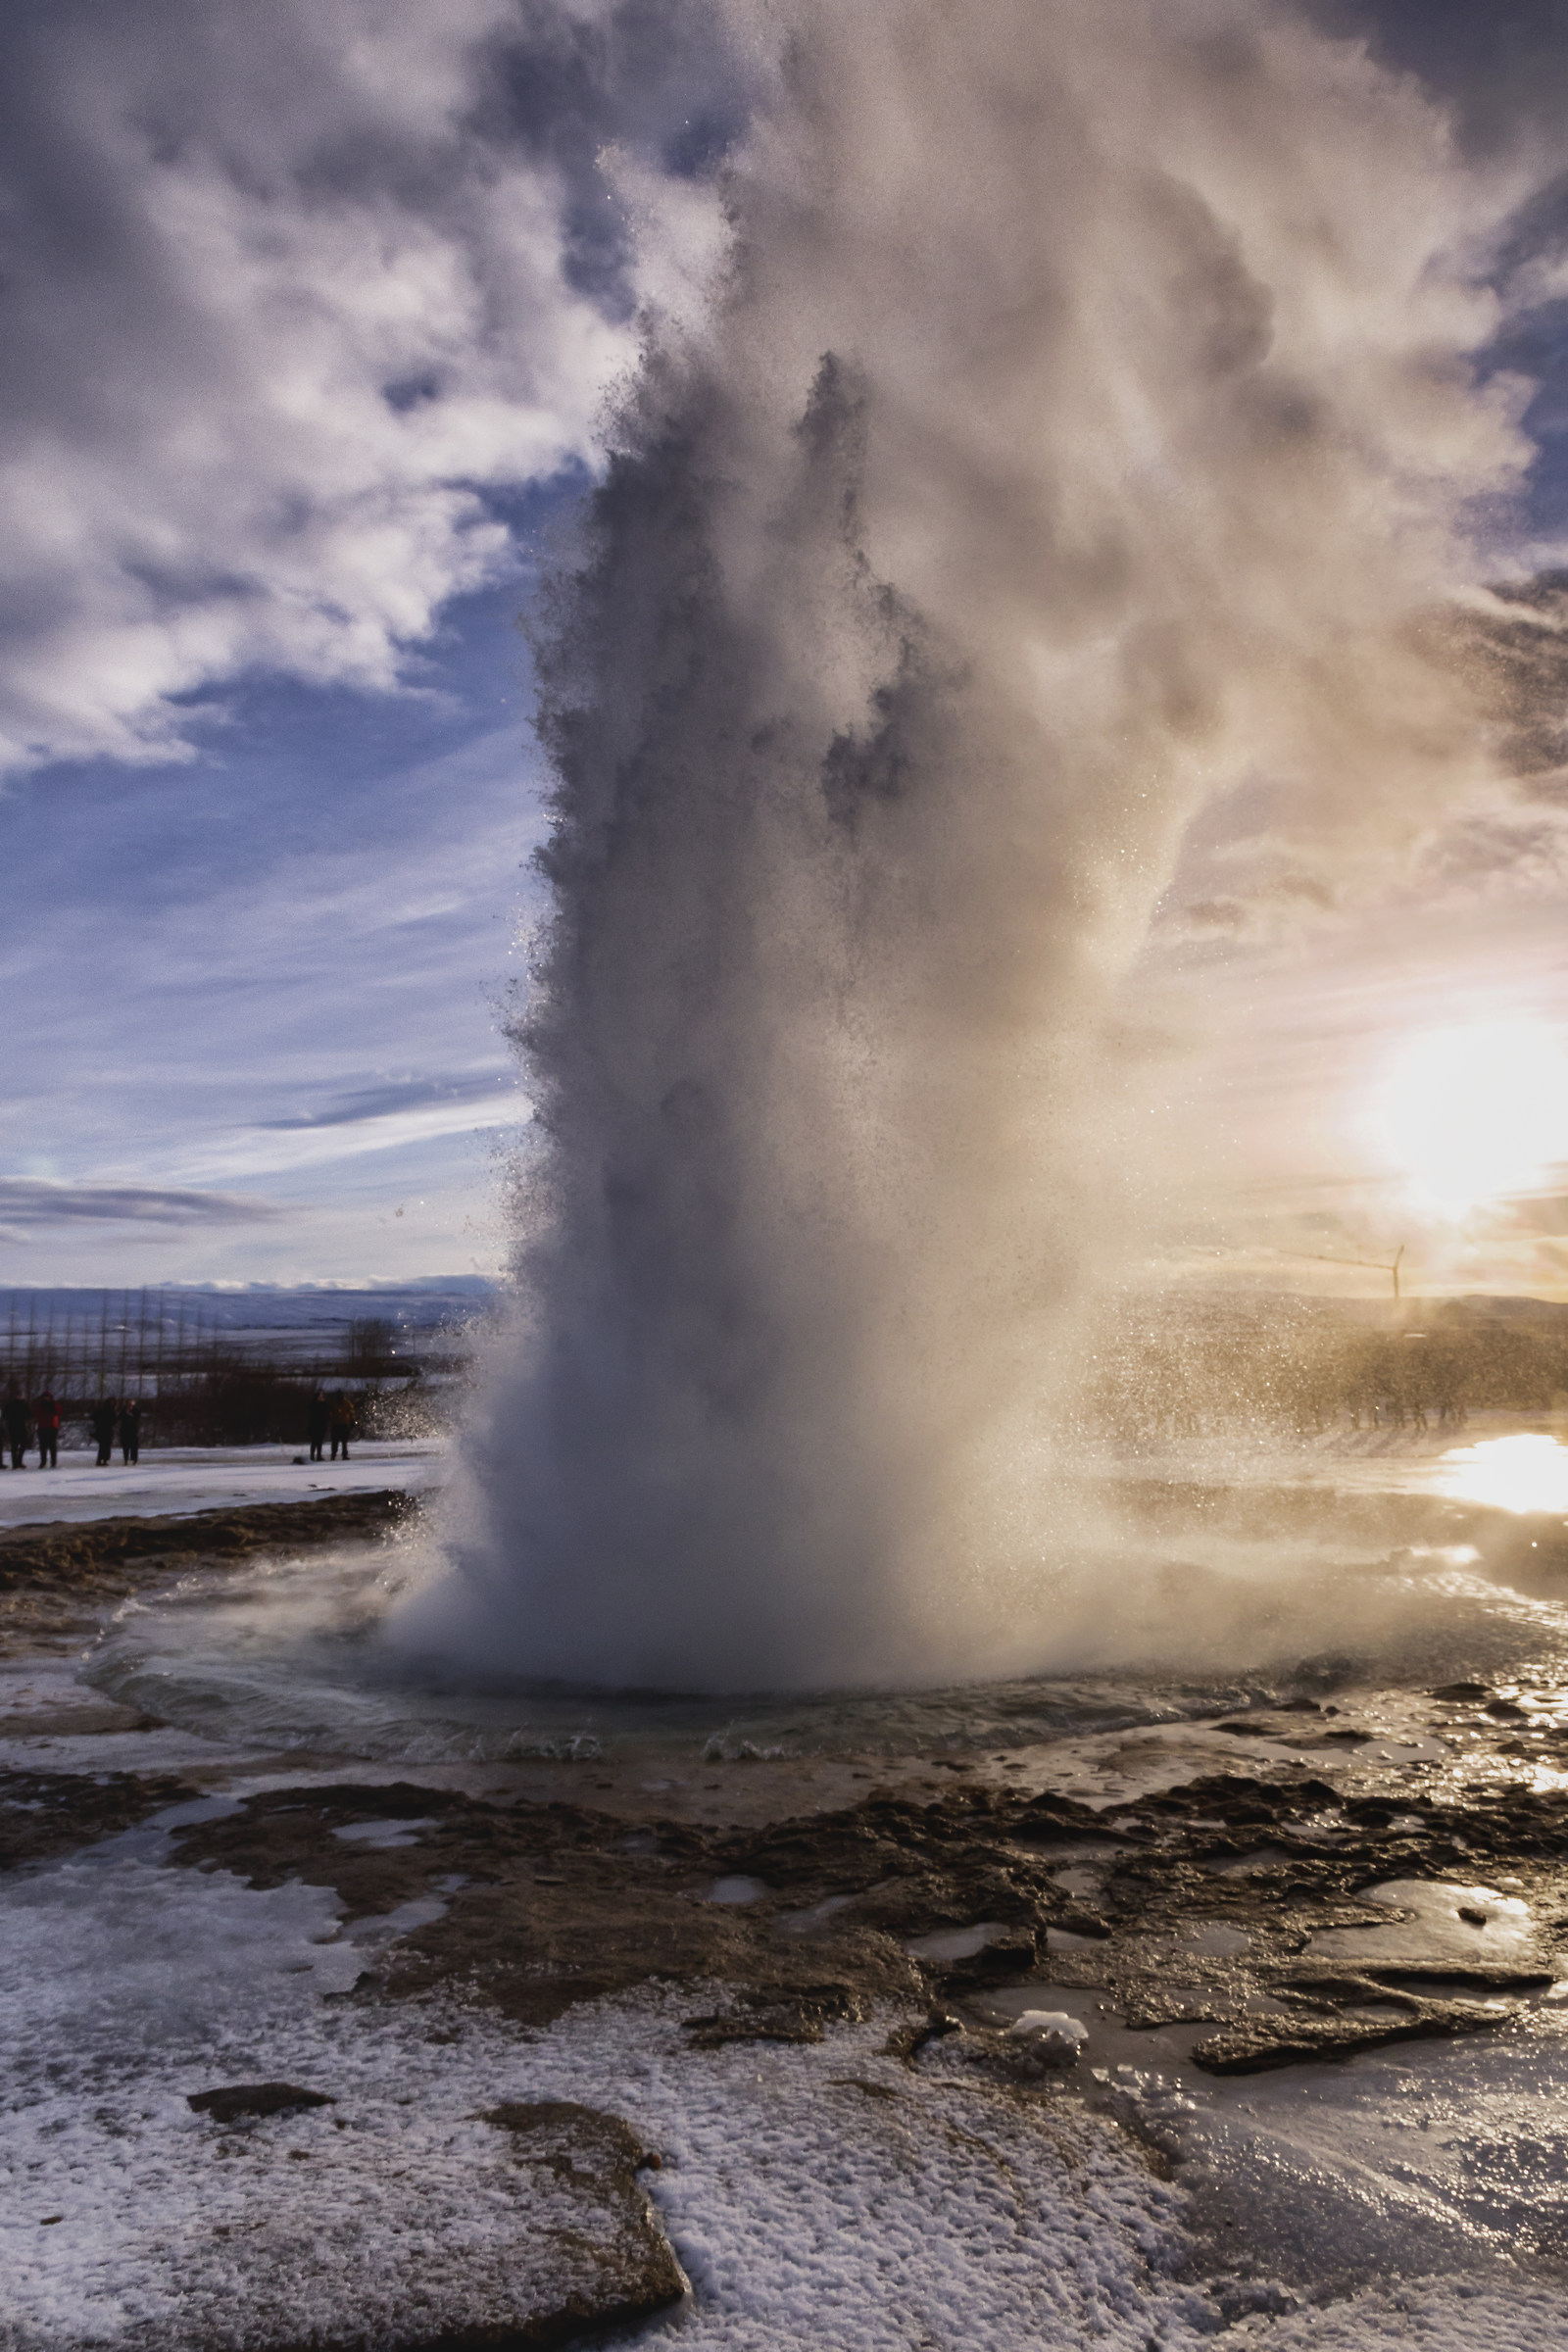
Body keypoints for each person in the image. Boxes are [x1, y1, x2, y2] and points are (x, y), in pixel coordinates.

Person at [2, 1385, 28, 1469]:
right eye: (19, 1395)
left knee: (24, 1443)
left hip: (22, 1426)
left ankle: (19, 1461)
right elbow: (5, 1415)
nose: (20, 1397)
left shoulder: (24, 1404)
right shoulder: (10, 1405)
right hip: (13, 1427)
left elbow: (29, 1414)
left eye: (21, 1395)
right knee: (14, 1445)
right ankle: (15, 1463)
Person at [33, 1391, 61, 1469]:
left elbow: (60, 1412)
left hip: (52, 1427)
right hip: (43, 1427)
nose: (47, 1398)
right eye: (45, 1396)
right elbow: (35, 1414)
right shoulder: (40, 1405)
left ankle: (53, 1462)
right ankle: (43, 1462)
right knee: (43, 1446)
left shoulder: (54, 1404)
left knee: (52, 1446)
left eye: (48, 1396)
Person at [328, 1389, 357, 1462]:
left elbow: (351, 1411)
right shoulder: (335, 1403)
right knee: (336, 1441)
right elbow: (329, 1412)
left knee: (343, 1441)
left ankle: (343, 1455)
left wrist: (352, 1420)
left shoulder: (346, 1402)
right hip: (337, 1424)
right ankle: (334, 1455)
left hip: (343, 1424)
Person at [91, 1396, 118, 1467]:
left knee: (104, 1446)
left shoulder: (104, 1409)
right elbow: (114, 1420)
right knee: (104, 1445)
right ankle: (103, 1460)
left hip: (105, 1429)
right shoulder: (109, 1410)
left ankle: (102, 1460)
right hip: (105, 1429)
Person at [306, 1387, 329, 1463]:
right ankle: (312, 1455)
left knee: (319, 1441)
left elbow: (327, 1410)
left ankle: (318, 1455)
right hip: (314, 1425)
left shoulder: (323, 1404)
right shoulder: (313, 1404)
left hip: (321, 1425)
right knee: (314, 1441)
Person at [118, 1397, 142, 1465]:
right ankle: (126, 1459)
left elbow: (137, 1417)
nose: (130, 1405)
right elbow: (119, 1418)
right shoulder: (123, 1411)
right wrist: (126, 1412)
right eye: (128, 1404)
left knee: (134, 1446)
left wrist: (130, 1414)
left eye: (131, 1404)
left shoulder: (136, 1410)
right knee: (125, 1447)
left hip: (133, 1431)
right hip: (125, 1431)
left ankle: (134, 1459)